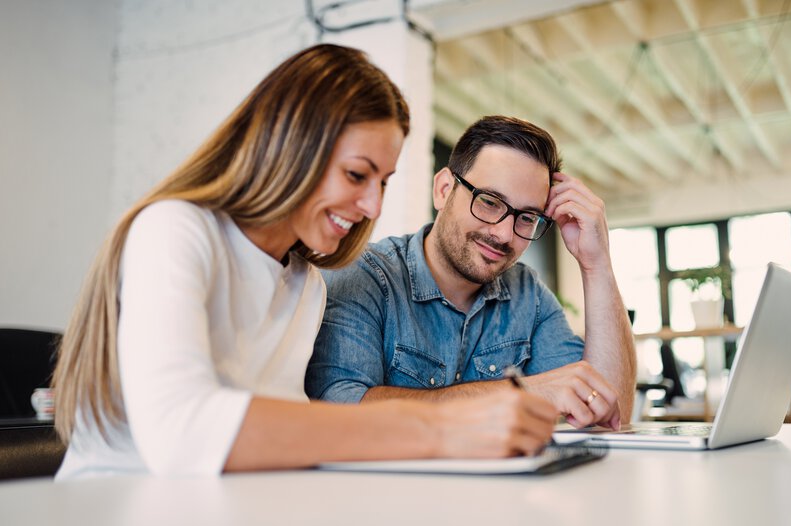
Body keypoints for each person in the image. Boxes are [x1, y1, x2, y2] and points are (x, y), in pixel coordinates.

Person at [51, 45, 558, 479]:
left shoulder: (305, 282)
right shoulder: (175, 229)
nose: (373, 207)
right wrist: (442, 427)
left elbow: (288, 434)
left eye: (382, 182)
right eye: (357, 174)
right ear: (291, 147)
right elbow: (182, 433)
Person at [306, 116, 636, 429]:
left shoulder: (528, 294)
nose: (505, 234)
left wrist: (596, 264)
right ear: (444, 189)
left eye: (526, 217)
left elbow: (610, 413)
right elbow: (338, 411)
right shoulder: (366, 276)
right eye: (490, 201)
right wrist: (519, 393)